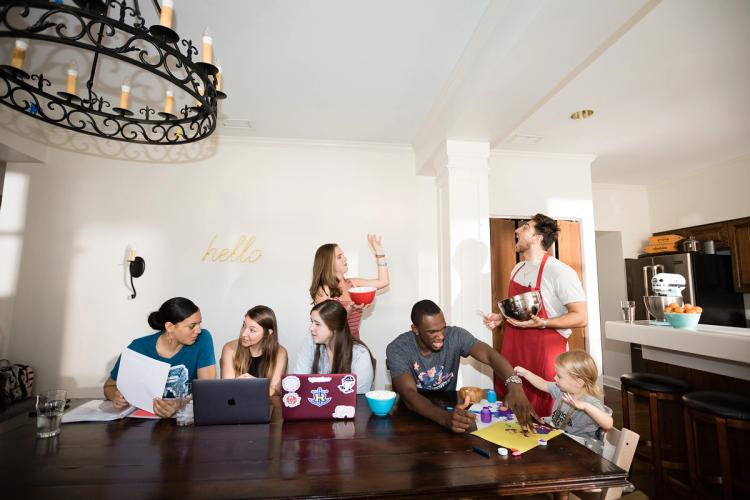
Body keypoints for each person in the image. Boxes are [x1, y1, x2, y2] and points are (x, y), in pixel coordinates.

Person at [483, 213, 587, 417]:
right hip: (513, 346)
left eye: (525, 228)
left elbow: (581, 317)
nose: (517, 231)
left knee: (542, 410)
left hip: (544, 351)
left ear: (538, 238)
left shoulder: (559, 272)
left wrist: (543, 323)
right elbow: (521, 308)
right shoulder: (517, 269)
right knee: (509, 403)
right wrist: (501, 316)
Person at [386, 299, 535, 433]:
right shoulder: (398, 348)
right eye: (432, 332)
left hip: (449, 410)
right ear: (415, 329)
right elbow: (409, 394)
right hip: (412, 417)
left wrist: (515, 386)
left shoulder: (455, 336)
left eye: (442, 328)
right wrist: (444, 418)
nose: (441, 336)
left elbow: (490, 355)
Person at [103, 297, 217, 417]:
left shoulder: (203, 339)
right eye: (192, 326)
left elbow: (206, 389)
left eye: (199, 324)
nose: (198, 330)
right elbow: (108, 387)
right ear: (170, 327)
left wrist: (181, 403)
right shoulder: (138, 348)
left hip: (185, 419)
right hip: (143, 422)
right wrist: (116, 397)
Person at [514, 350, 613, 454]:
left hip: (579, 451)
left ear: (578, 382)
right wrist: (526, 374)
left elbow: (608, 424)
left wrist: (585, 407)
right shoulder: (561, 391)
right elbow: (543, 384)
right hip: (559, 442)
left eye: (559, 376)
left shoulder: (590, 402)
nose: (555, 378)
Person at [309, 234, 389, 338]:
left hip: (354, 344)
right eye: (339, 257)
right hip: (335, 347)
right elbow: (329, 327)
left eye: (343, 255)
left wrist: (379, 251)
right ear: (328, 263)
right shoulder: (324, 291)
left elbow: (383, 281)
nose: (345, 259)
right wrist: (350, 308)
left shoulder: (353, 284)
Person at [293, 300, 374, 394]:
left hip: (350, 407)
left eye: (317, 324)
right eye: (311, 322)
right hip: (316, 405)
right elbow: (299, 382)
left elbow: (360, 396)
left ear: (335, 327)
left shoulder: (360, 354)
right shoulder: (310, 343)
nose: (311, 328)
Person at [220, 305, 288, 396]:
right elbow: (227, 388)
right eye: (244, 325)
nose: (243, 333)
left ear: (268, 333)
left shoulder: (280, 353)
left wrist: (254, 384)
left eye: (252, 330)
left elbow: (274, 391)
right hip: (236, 405)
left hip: (267, 407)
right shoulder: (229, 348)